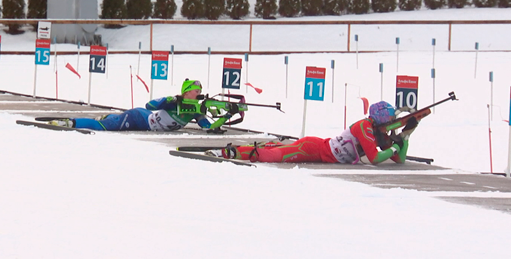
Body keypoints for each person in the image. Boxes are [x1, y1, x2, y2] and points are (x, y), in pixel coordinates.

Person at [212, 101, 418, 164]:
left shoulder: (377, 132)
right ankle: (231, 153)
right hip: (315, 149)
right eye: (391, 118)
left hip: (320, 149)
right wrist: (395, 148)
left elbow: (399, 159)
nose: (392, 121)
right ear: (382, 117)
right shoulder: (364, 127)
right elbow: (375, 158)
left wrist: (406, 136)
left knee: (279, 149)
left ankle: (238, 151)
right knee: (276, 156)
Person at [51, 79, 218, 131]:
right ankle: (70, 122)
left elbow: (206, 126)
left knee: (113, 121)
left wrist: (221, 120)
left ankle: (110, 117)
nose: (199, 93)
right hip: (140, 118)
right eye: (196, 90)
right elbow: (150, 105)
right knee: (104, 127)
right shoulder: (174, 102)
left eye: (200, 90)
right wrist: (170, 100)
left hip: (147, 123)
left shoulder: (196, 110)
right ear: (187, 92)